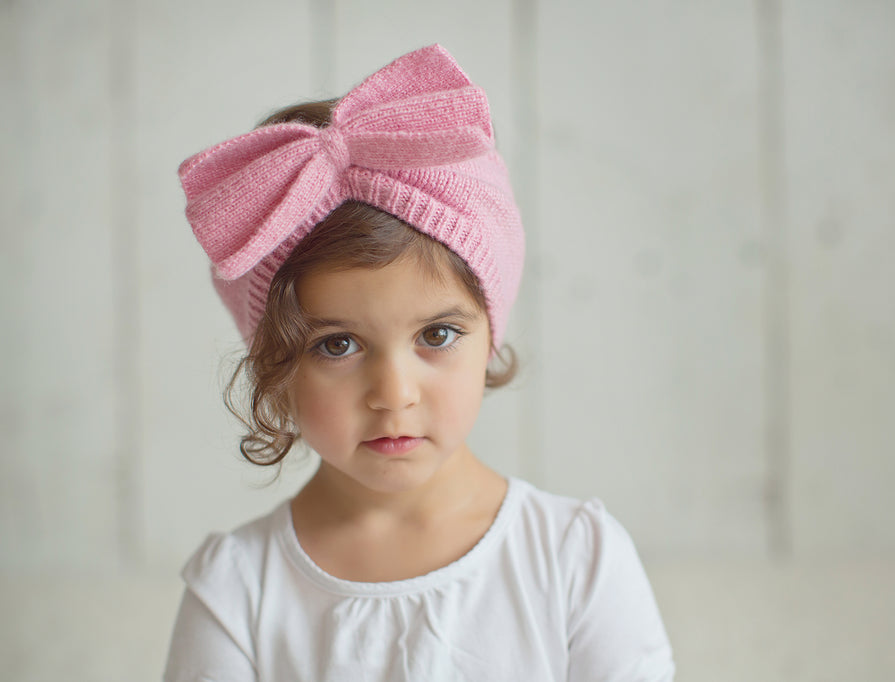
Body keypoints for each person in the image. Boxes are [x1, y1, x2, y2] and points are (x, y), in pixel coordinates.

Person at [164, 44, 675, 681]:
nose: (394, 393)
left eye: (437, 334)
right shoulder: (237, 590)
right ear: (275, 365)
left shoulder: (577, 560)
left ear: (489, 334)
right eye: (337, 345)